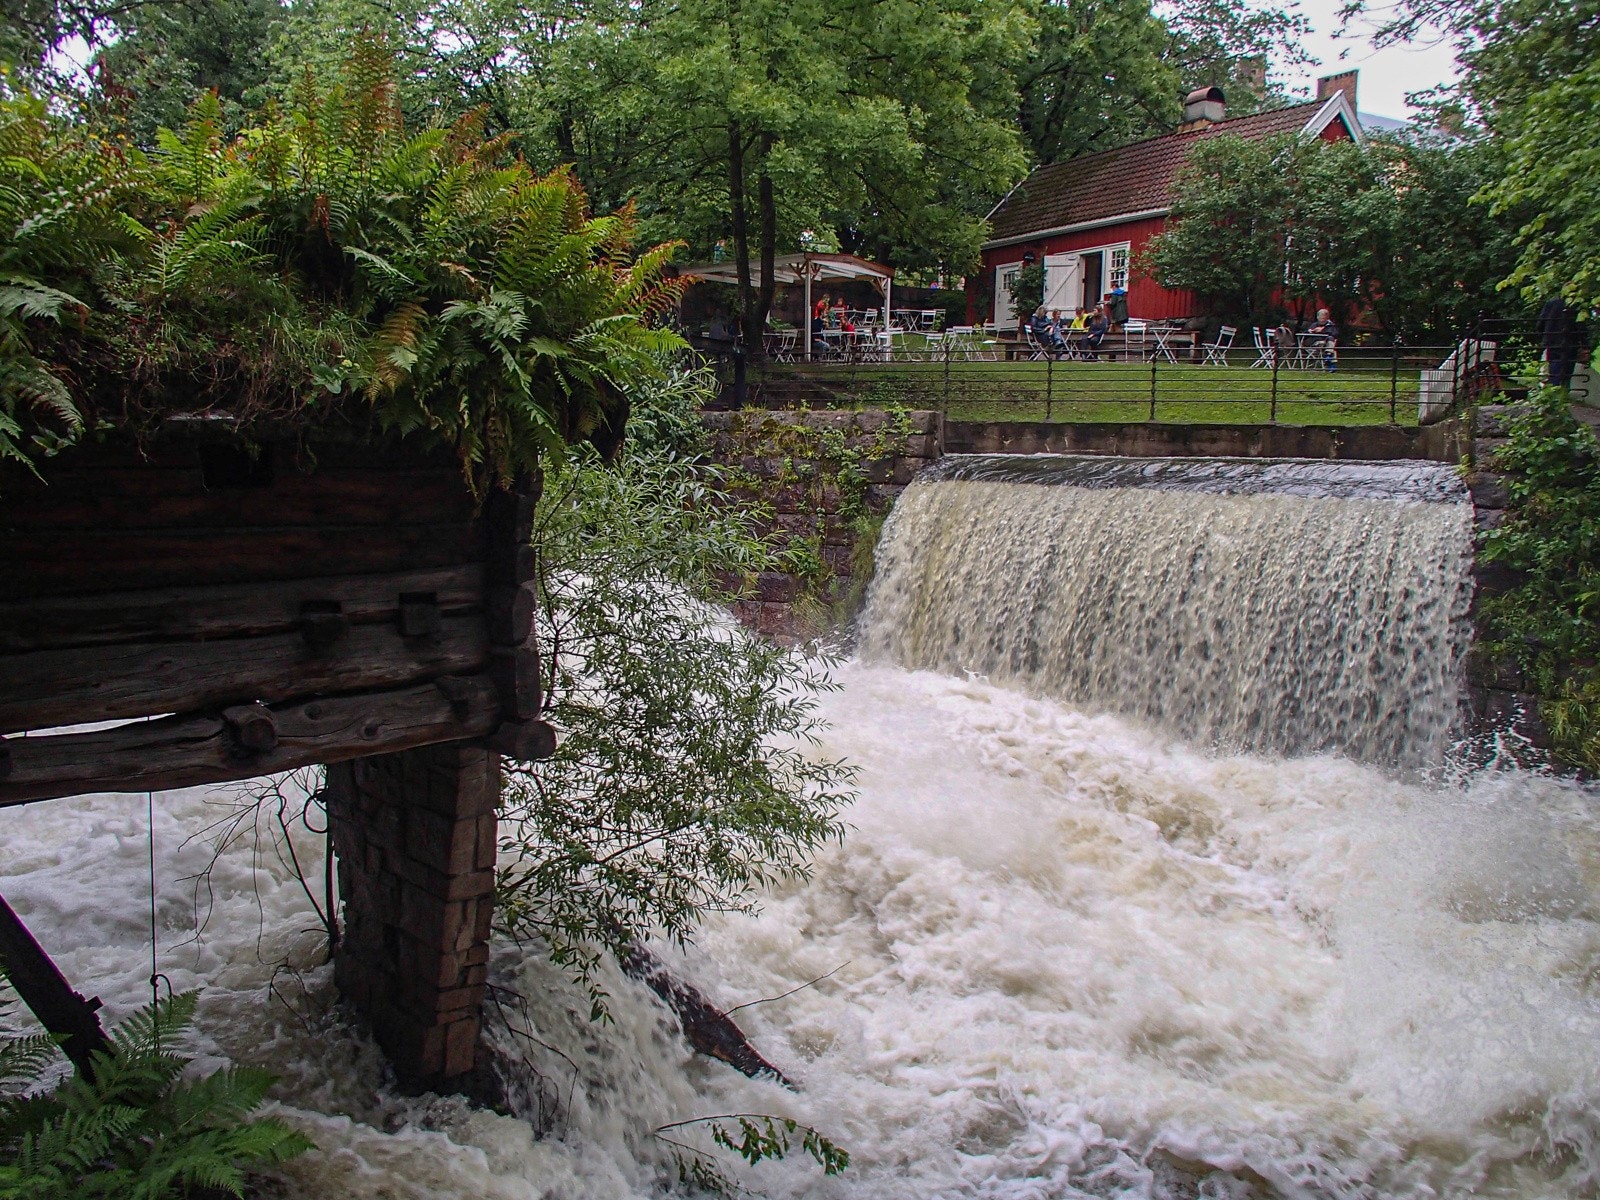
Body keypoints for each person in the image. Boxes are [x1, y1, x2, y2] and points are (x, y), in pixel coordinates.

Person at [1306, 308, 1339, 372]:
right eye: (1320, 318)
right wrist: (1310, 331)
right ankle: (1331, 364)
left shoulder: (1330, 325)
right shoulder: (1314, 325)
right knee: (1332, 348)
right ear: (1317, 317)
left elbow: (1335, 334)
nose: (1321, 320)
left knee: (1331, 340)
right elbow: (1305, 335)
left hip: (1326, 346)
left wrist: (1323, 330)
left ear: (1327, 318)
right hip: (1315, 345)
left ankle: (1328, 358)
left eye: (1323, 318)